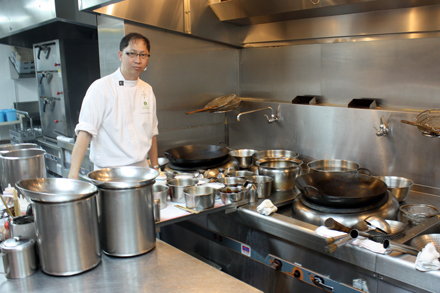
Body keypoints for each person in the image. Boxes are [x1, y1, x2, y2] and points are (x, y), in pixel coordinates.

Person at [68, 33, 159, 179]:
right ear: (120, 55)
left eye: (143, 55)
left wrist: (156, 168)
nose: (138, 60)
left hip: (143, 171)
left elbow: (152, 132)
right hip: (109, 174)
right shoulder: (101, 88)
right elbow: (85, 132)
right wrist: (73, 174)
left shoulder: (147, 89)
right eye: (132, 54)